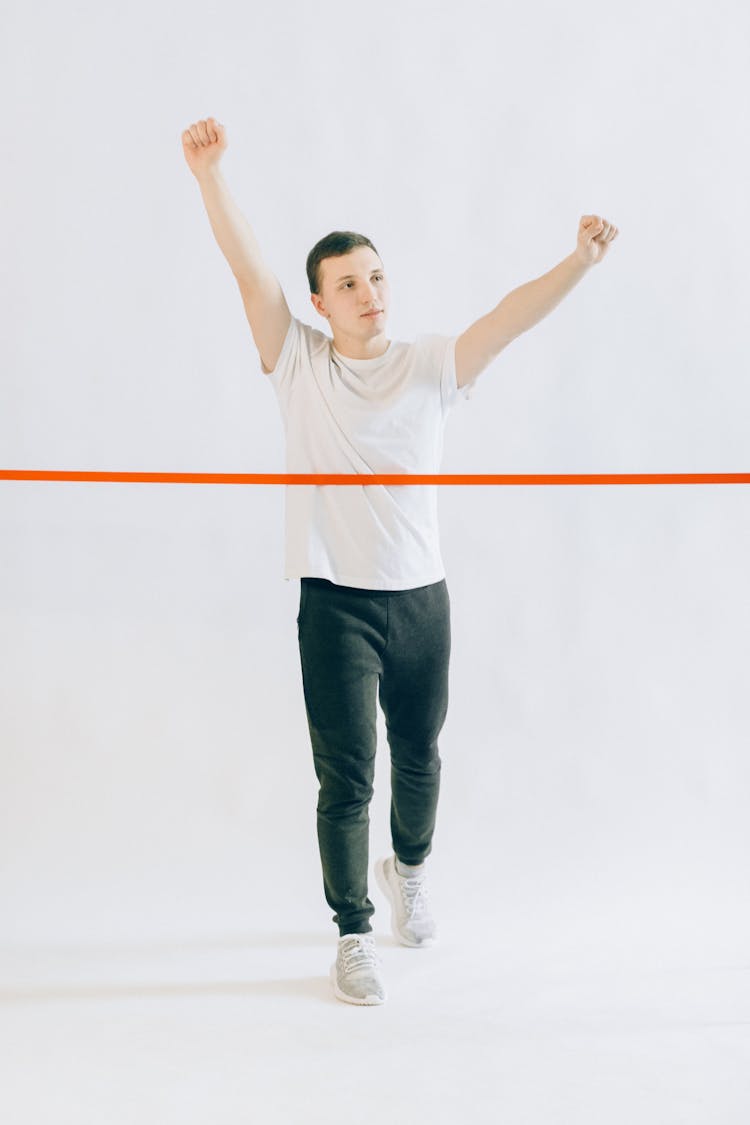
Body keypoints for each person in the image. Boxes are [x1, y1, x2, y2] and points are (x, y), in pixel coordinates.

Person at [181, 115, 619, 1006]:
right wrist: (212, 176)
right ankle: (349, 932)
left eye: (376, 276)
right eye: (348, 283)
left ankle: (407, 869)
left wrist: (577, 260)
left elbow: (507, 318)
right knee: (348, 776)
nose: (370, 291)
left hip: (422, 601)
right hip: (336, 602)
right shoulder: (296, 365)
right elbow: (248, 269)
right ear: (319, 304)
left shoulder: (429, 366)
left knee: (420, 756)